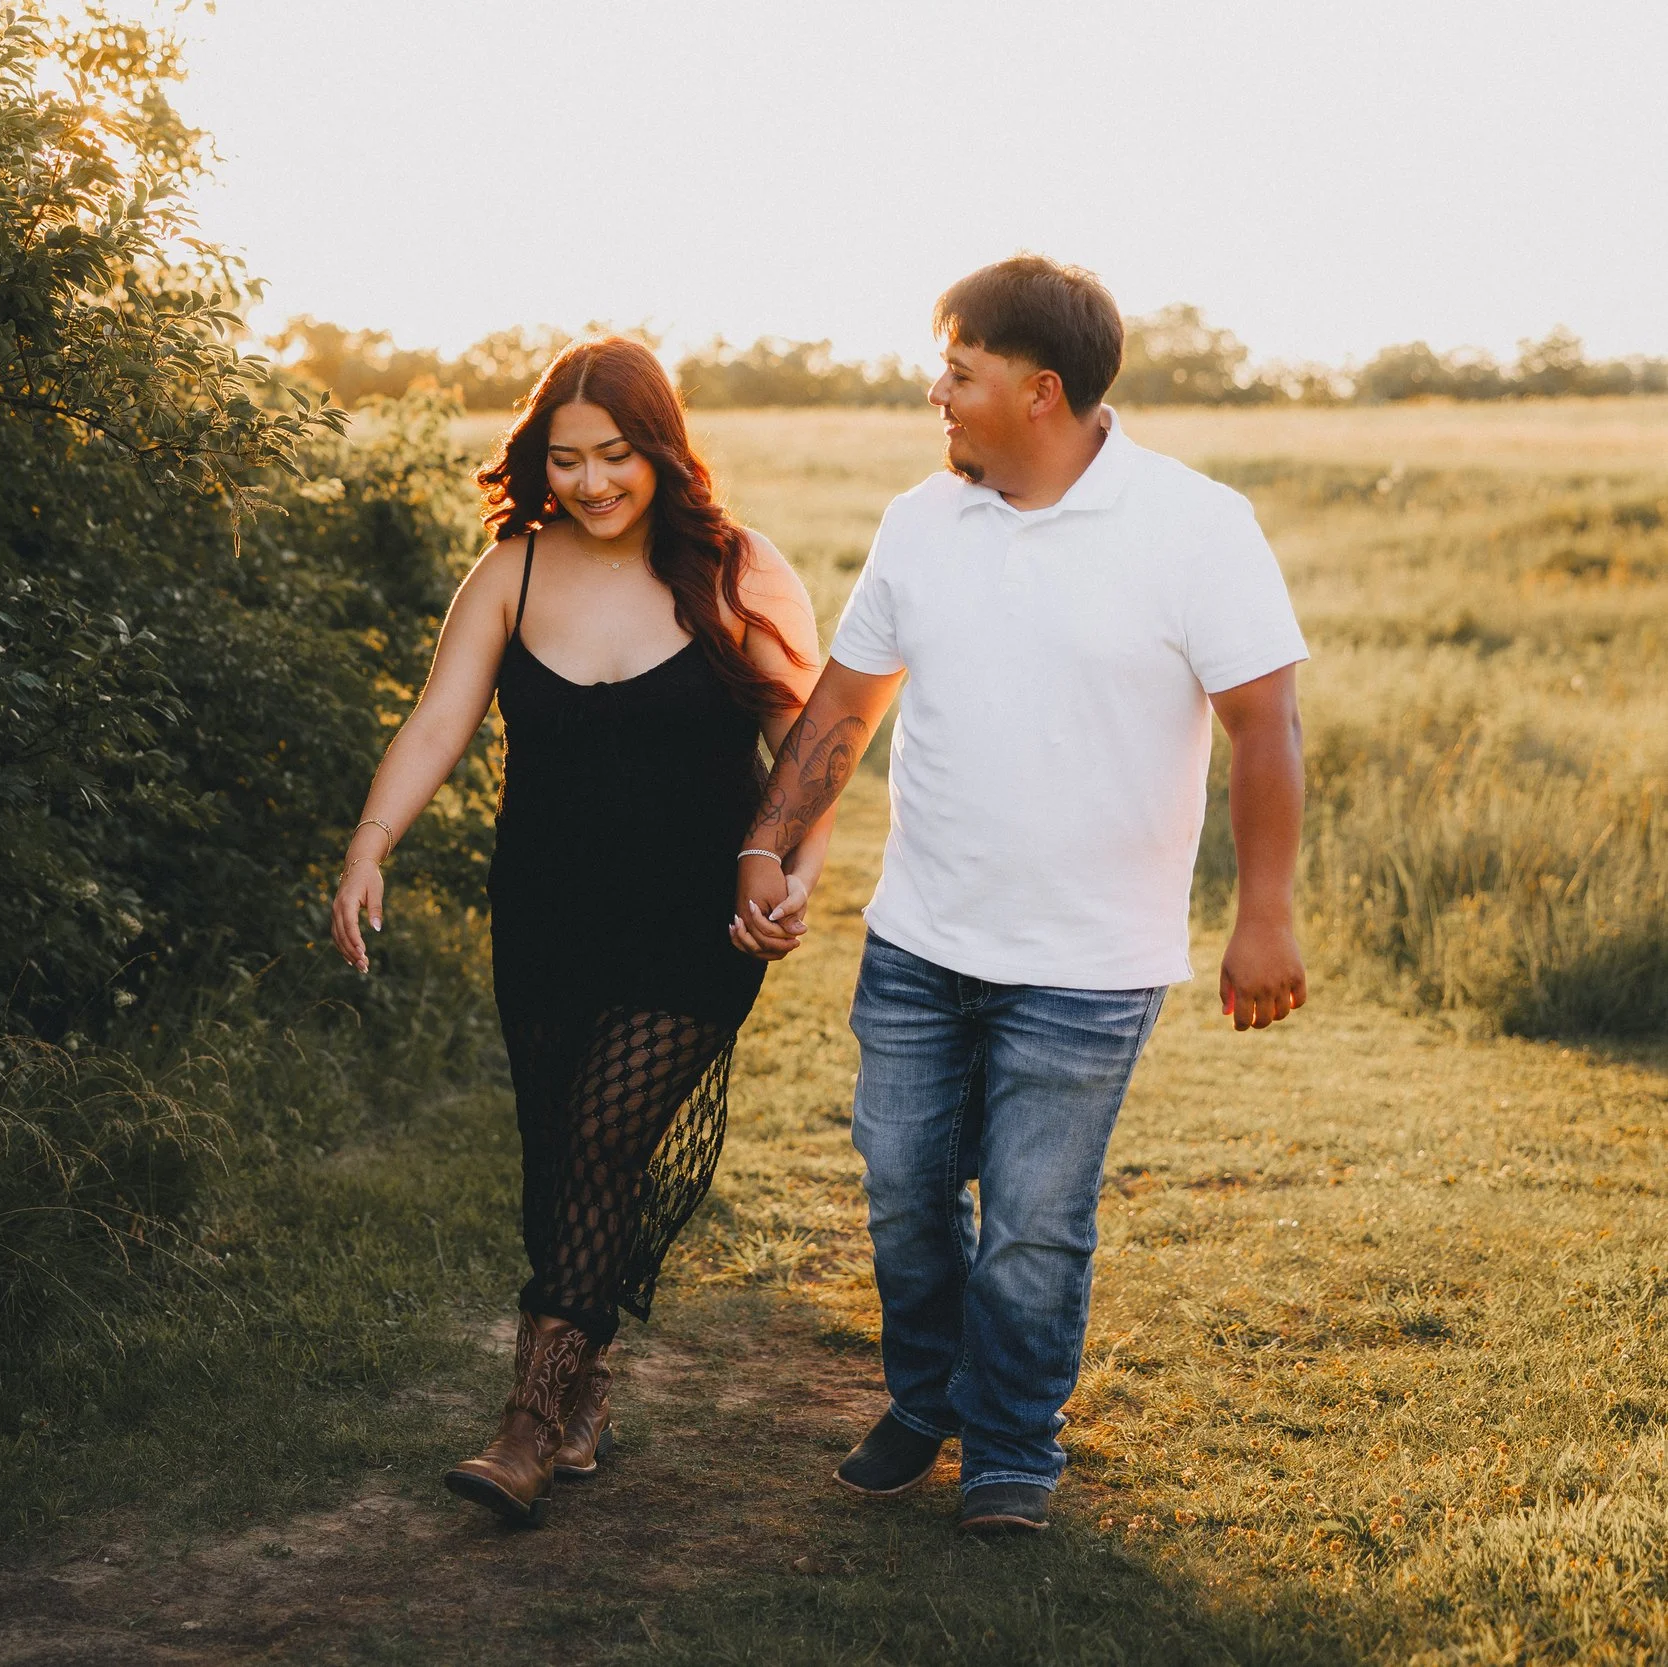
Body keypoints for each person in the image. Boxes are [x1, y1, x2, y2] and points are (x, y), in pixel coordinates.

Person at [730, 255, 1309, 1535]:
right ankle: (923, 1394)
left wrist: (1261, 913)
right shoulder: (919, 521)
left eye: (958, 370)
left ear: (1039, 391)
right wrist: (766, 843)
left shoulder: (1195, 523)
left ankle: (1008, 1445)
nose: (934, 391)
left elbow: (1263, 725)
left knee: (1036, 1222)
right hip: (920, 940)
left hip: (1091, 962)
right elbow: (845, 704)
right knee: (901, 1189)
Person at [330, 337, 824, 1527]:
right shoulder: (512, 568)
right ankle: (586, 1370)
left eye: (617, 455)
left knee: (604, 1136)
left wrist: (794, 873)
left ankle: (529, 1423)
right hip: (546, 910)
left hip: (694, 920)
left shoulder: (733, 568)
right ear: (538, 460)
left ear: (661, 449)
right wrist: (368, 842)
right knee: (558, 1152)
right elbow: (440, 717)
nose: (594, 482)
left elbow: (812, 748)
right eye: (568, 459)